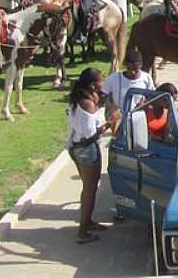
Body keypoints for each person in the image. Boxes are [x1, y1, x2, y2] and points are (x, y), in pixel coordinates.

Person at [67, 67, 111, 244]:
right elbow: (89, 134)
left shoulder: (84, 98)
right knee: (90, 190)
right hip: (86, 149)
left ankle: (88, 222)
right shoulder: (88, 104)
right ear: (93, 85)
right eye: (101, 80)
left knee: (88, 187)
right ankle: (83, 231)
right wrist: (110, 123)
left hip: (79, 148)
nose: (104, 83)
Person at [102, 49, 155, 123]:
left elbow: (152, 96)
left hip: (139, 117)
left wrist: (145, 103)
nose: (132, 72)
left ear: (141, 65)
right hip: (119, 119)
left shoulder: (146, 78)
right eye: (129, 68)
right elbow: (103, 95)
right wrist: (111, 107)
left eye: (136, 69)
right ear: (125, 65)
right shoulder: (113, 78)